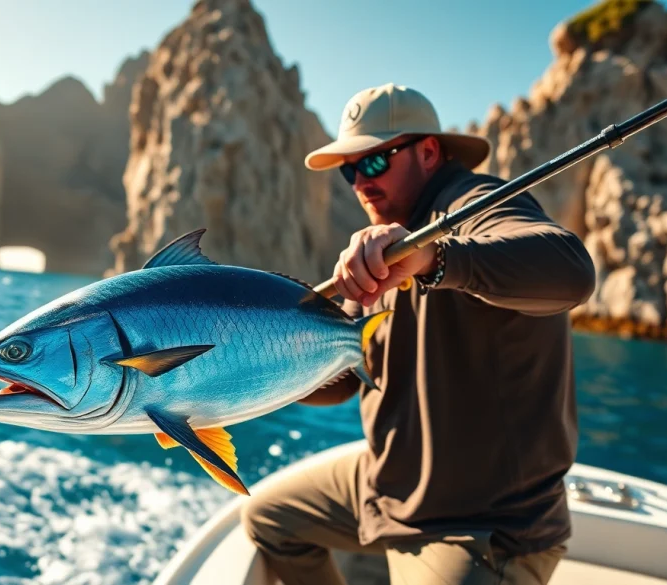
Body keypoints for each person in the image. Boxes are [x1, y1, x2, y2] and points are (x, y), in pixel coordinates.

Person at [240, 83, 597, 585]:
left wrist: (436, 258)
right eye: (349, 170)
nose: (359, 183)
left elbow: (571, 271)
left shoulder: (479, 203)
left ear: (428, 152)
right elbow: (340, 380)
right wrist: (260, 365)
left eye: (373, 163)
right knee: (267, 519)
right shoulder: (377, 243)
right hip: (386, 488)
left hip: (481, 527)